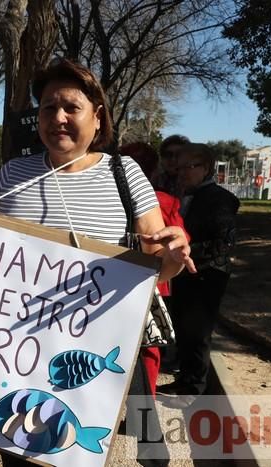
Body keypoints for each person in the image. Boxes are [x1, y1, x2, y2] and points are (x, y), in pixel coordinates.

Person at [0, 58, 195, 466]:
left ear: (98, 118)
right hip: (26, 349)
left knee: (146, 452)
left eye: (71, 107)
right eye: (49, 108)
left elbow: (159, 262)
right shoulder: (14, 173)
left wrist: (172, 256)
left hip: (111, 347)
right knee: (24, 453)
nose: (59, 118)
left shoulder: (125, 173)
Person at [157, 143, 239, 408]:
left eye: (188, 167)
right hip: (184, 272)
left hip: (207, 275)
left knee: (198, 331)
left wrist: (186, 250)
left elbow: (223, 243)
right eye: (178, 168)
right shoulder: (182, 195)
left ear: (206, 168)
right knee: (183, 327)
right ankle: (185, 379)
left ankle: (195, 387)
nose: (181, 173)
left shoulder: (221, 199)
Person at [118, 141, 189, 396]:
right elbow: (179, 237)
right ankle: (142, 413)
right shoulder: (166, 200)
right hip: (156, 282)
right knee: (148, 347)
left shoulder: (107, 191)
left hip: (115, 280)